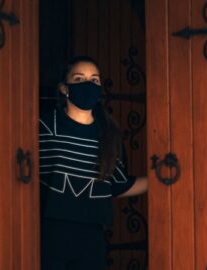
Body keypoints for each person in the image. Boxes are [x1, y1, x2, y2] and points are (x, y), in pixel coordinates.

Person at [39, 55, 148, 270]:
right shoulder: (43, 126)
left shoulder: (109, 135)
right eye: (79, 79)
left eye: (94, 80)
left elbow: (118, 185)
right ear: (64, 88)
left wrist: (164, 180)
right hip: (49, 234)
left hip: (92, 238)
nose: (88, 85)